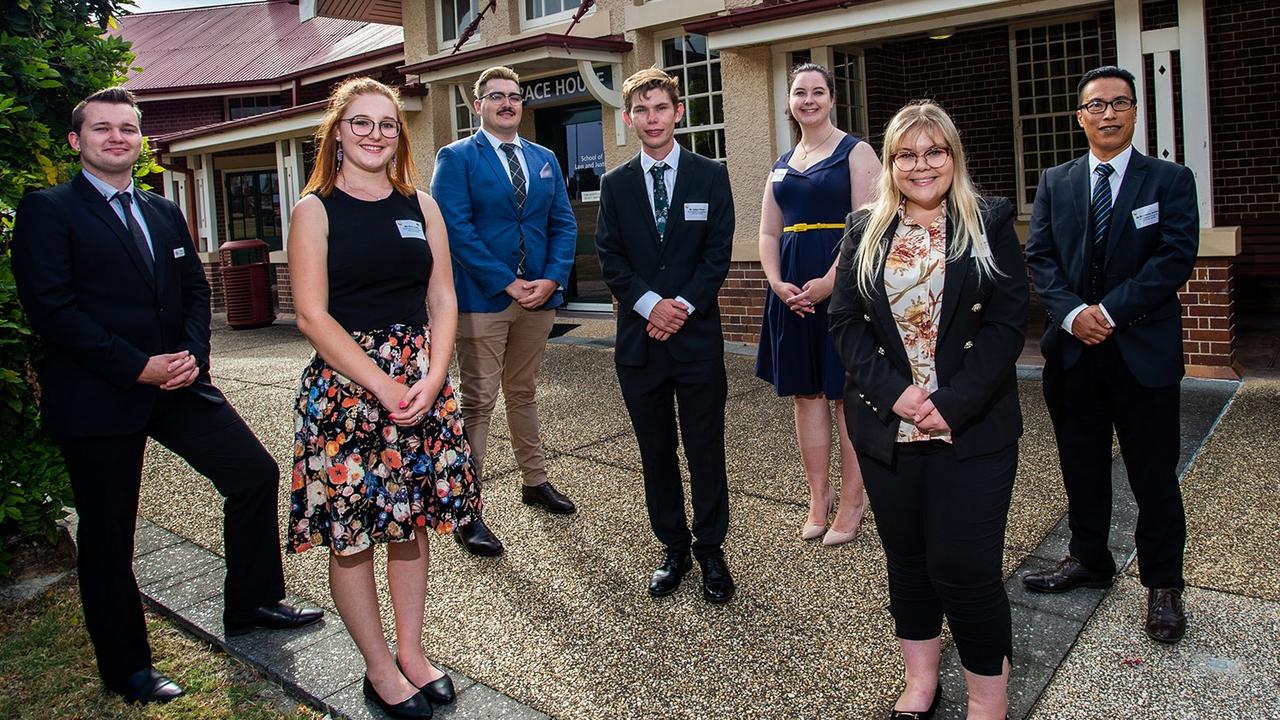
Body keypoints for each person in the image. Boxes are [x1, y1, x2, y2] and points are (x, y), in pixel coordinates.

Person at [11, 87, 321, 705]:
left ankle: (253, 603)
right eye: (103, 129)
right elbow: (53, 310)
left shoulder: (162, 211)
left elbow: (193, 291)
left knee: (253, 475)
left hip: (178, 384)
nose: (117, 138)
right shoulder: (48, 211)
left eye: (128, 128)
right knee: (108, 534)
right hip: (100, 394)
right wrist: (138, 367)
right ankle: (127, 667)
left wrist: (190, 359)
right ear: (77, 141)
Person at [287, 77, 481, 719]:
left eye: (387, 123)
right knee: (352, 534)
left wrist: (434, 372)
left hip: (419, 383)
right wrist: (384, 383)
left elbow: (444, 297)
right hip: (348, 392)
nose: (375, 134)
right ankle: (378, 667)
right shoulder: (314, 210)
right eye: (362, 122)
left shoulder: (420, 204)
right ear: (337, 133)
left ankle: (414, 652)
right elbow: (313, 315)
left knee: (409, 523)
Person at [829, 100, 1028, 719]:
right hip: (888, 427)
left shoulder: (987, 218)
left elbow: (1007, 319)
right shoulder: (864, 227)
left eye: (934, 151)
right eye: (907, 154)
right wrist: (898, 395)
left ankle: (987, 701)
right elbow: (845, 322)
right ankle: (921, 681)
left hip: (970, 427)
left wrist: (953, 402)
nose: (922, 165)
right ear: (890, 163)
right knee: (909, 560)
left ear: (953, 155)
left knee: (964, 566)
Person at [1022, 66, 1197, 644]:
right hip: (1074, 355)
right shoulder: (1057, 180)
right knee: (1082, 467)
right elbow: (1040, 257)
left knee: (1153, 475)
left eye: (1120, 103)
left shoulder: (1170, 180)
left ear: (1134, 112)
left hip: (1141, 352)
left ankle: (1163, 585)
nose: (1108, 113)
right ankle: (1088, 560)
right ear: (1080, 116)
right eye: (1096, 105)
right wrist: (1074, 315)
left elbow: (1173, 258)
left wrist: (1111, 312)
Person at [595, 68, 736, 604]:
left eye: (661, 108)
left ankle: (711, 551)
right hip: (640, 345)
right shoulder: (616, 184)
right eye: (641, 110)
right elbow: (611, 257)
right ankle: (673, 547)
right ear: (629, 119)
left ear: (678, 112)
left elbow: (716, 253)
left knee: (705, 449)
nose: (652, 118)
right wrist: (652, 307)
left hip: (696, 340)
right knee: (656, 451)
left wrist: (681, 308)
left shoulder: (710, 175)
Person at [431, 66, 579, 557]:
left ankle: (534, 482)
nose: (508, 104)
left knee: (523, 391)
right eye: (497, 97)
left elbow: (563, 221)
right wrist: (506, 281)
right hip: (483, 300)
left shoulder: (544, 158)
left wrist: (553, 278)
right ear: (479, 105)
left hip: (538, 298)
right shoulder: (456, 158)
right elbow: (456, 228)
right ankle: (467, 509)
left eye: (515, 97)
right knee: (479, 400)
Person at [754, 63, 879, 545]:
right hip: (790, 295)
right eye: (799, 93)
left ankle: (853, 501)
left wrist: (831, 280)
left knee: (844, 397)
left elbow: (868, 225)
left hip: (841, 287)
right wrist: (776, 282)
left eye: (818, 92)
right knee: (806, 396)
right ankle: (817, 498)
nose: (808, 100)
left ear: (831, 98)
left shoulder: (856, 151)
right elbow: (768, 231)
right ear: (790, 102)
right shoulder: (782, 162)